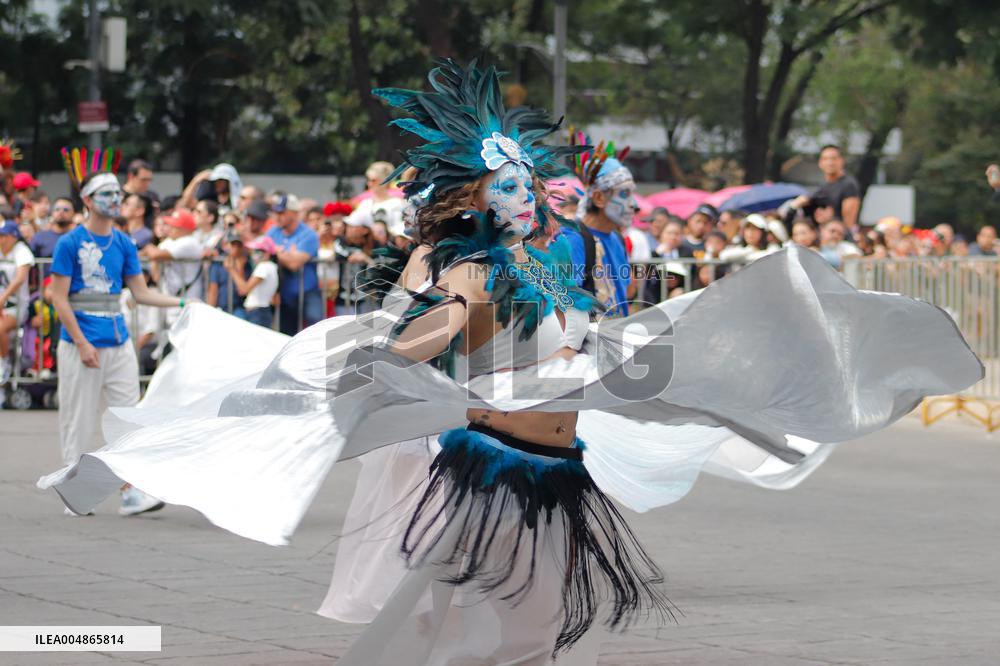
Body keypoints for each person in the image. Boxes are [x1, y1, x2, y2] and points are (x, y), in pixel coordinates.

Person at [39, 59, 984, 664]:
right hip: (495, 467)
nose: (525, 193)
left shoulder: (543, 263)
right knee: (491, 630)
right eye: (506, 184)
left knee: (514, 632)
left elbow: (577, 338)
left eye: (528, 179)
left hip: (554, 469)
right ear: (474, 199)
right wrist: (404, 336)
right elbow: (440, 328)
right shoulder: (478, 269)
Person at [47, 171, 187, 516]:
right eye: (106, 193)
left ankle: (131, 490)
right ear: (87, 200)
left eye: (117, 193)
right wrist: (81, 343)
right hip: (81, 343)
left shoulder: (124, 243)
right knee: (78, 418)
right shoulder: (70, 243)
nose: (114, 199)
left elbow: (141, 293)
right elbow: (58, 297)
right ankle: (75, 492)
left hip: (118, 340)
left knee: (128, 417)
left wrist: (184, 303)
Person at [564, 143, 637, 316]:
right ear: (598, 198)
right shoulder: (572, 238)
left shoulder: (617, 238)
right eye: (624, 194)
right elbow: (567, 302)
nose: (633, 204)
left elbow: (627, 292)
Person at [266, 193, 322, 333]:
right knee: (286, 334)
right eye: (275, 212)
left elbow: (295, 265)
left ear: (294, 213)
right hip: (284, 293)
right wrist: (287, 254)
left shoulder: (308, 234)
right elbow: (263, 254)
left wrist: (276, 252)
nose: (277, 216)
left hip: (307, 292)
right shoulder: (273, 232)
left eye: (281, 212)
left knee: (315, 331)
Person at [141, 209, 205, 325]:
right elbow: (149, 260)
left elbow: (155, 254)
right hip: (172, 301)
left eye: (174, 225)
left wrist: (149, 247)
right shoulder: (170, 241)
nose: (170, 228)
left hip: (188, 302)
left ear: (184, 229)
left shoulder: (190, 242)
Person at [792, 145, 861, 230]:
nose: (830, 163)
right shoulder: (823, 187)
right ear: (820, 163)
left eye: (833, 158)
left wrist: (830, 220)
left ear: (841, 161)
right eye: (825, 159)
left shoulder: (848, 185)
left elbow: (848, 223)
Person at [0, 219, 34, 381]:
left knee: (0, 328)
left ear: (13, 237)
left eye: (3, 236)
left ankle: (4, 363)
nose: (0, 239)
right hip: (2, 304)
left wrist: (3, 298)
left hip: (16, 305)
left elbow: (20, 278)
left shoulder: (21, 250)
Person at [347, 161, 405, 236]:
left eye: (374, 180)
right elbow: (352, 223)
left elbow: (399, 230)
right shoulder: (365, 203)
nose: (369, 184)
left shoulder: (397, 203)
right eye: (368, 180)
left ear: (385, 181)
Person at [235, 236, 280, 327]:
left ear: (267, 254)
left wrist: (232, 270)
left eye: (256, 251)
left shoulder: (263, 266)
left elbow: (243, 290)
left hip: (258, 313)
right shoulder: (272, 267)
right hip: (261, 312)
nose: (253, 255)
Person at [206, 230, 252, 317]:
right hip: (221, 309)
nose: (236, 248)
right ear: (226, 245)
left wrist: (239, 268)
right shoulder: (218, 264)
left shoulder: (246, 264)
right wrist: (209, 313)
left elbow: (242, 291)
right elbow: (213, 291)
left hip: (238, 309)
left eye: (238, 245)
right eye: (233, 244)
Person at [30, 197, 76, 266]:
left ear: (73, 213)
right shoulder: (40, 237)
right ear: (52, 213)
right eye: (57, 209)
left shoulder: (78, 238)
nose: (61, 212)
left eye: (66, 210)